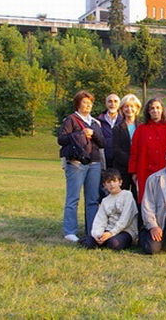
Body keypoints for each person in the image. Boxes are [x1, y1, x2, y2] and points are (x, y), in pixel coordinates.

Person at [58, 90, 105, 242]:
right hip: (76, 164)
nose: (88, 105)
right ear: (78, 103)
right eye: (85, 102)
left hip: (94, 164)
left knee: (92, 199)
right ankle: (70, 231)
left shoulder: (95, 122)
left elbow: (102, 143)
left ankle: (92, 229)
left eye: (90, 103)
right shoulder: (71, 120)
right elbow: (61, 139)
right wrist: (80, 134)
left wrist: (93, 133)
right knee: (73, 198)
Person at [129, 98, 166, 204]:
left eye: (158, 108)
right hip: (145, 171)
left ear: (162, 110)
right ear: (148, 111)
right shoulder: (140, 129)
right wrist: (134, 172)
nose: (155, 110)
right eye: (152, 108)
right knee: (147, 201)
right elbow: (134, 151)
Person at [78, 169, 138, 250]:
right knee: (87, 242)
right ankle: (101, 241)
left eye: (114, 181)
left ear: (120, 182)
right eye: (108, 182)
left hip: (125, 231)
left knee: (114, 243)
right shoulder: (105, 200)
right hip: (108, 230)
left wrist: (111, 233)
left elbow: (125, 219)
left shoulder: (127, 195)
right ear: (104, 185)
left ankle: (107, 241)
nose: (112, 184)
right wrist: (98, 235)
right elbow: (100, 220)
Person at [112, 94, 141, 199]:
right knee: (121, 198)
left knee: (137, 198)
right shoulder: (117, 128)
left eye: (132, 106)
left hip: (139, 169)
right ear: (122, 109)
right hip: (122, 169)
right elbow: (116, 149)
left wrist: (137, 164)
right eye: (126, 106)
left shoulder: (142, 127)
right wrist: (131, 162)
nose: (129, 109)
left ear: (137, 108)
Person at [97, 93, 122, 169]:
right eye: (110, 101)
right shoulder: (97, 121)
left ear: (119, 104)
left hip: (120, 162)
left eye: (115, 101)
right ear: (106, 104)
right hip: (104, 161)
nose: (112, 104)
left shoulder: (124, 121)